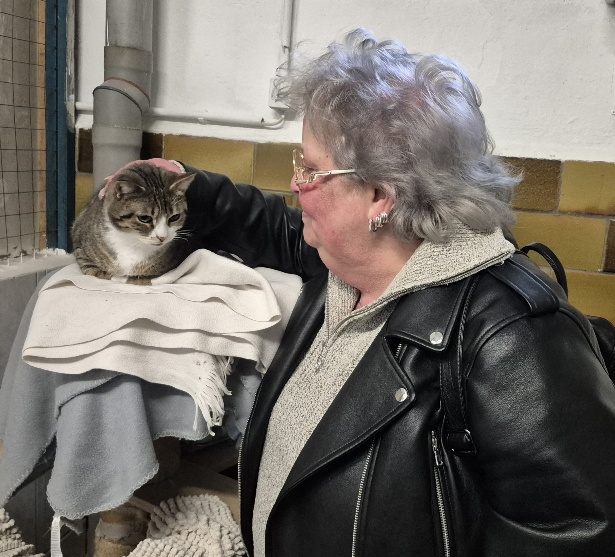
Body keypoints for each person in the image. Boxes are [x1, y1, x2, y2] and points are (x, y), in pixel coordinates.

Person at [119, 29, 615, 556]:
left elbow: (576, 534)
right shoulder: (353, 261)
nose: (296, 184)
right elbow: (278, 228)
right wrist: (186, 186)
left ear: (380, 196)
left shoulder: (515, 340)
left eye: (311, 170)